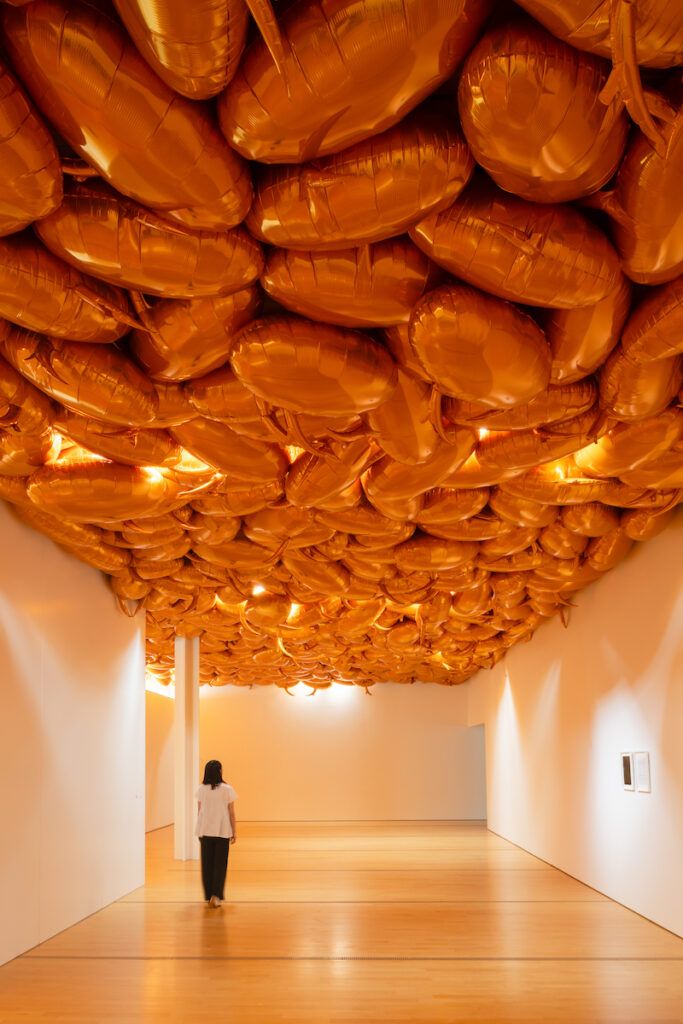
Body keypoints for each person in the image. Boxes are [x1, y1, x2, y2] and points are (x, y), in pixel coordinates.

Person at [195, 760, 237, 908]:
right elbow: (231, 813)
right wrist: (234, 831)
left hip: (205, 831)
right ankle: (216, 896)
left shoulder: (201, 789)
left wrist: (200, 828)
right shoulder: (227, 789)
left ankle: (209, 896)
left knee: (207, 864)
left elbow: (199, 810)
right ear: (219, 771)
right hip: (222, 831)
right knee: (220, 865)